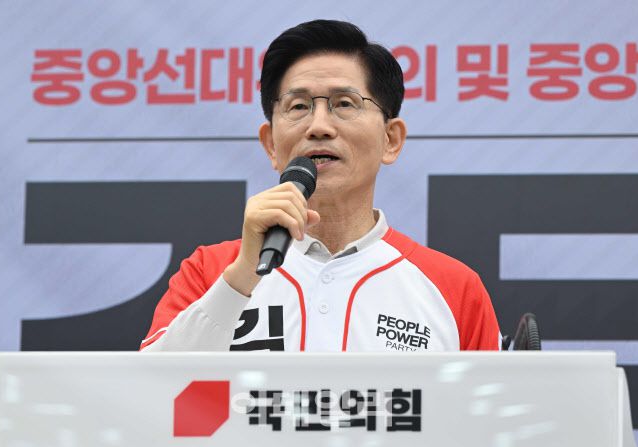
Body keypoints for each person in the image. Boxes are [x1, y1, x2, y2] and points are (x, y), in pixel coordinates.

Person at [141, 19, 500, 352]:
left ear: (391, 139)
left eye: (345, 103)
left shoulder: (454, 288)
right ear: (270, 144)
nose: (319, 126)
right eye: (298, 106)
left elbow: (492, 401)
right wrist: (243, 276)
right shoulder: (211, 270)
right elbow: (152, 390)